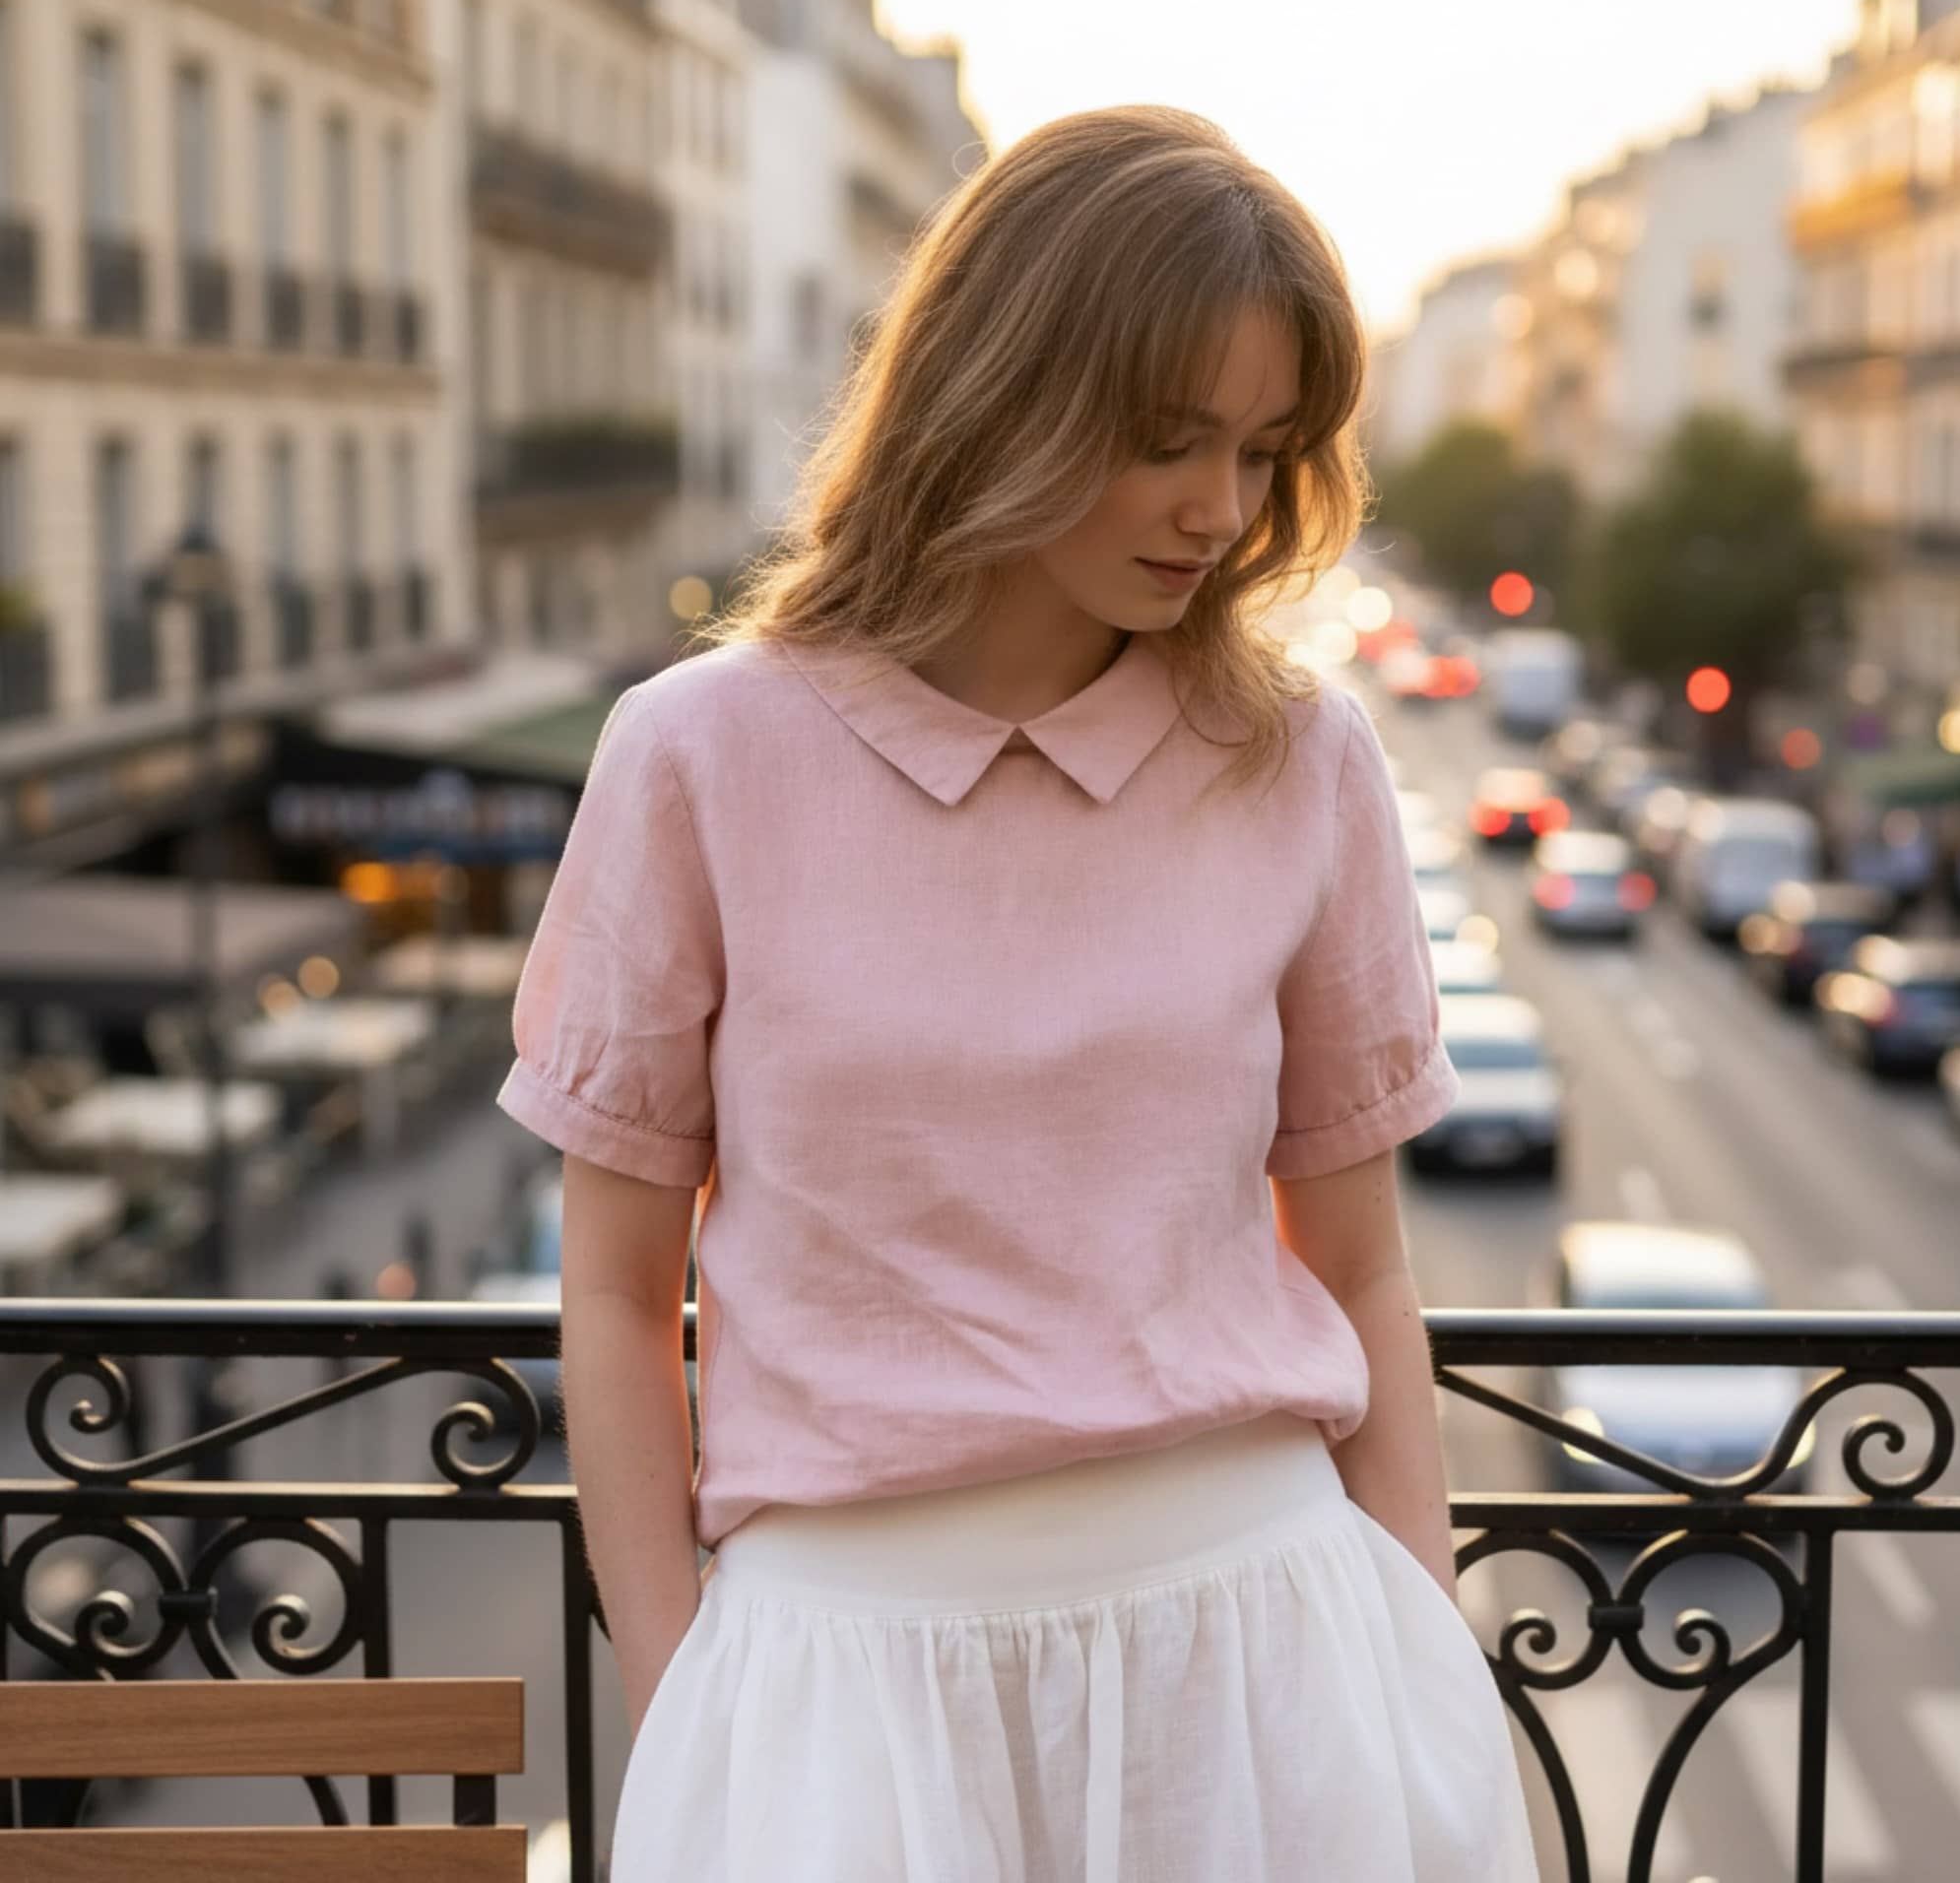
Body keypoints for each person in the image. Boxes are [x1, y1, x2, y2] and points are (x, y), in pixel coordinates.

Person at [497, 105, 1539, 1881]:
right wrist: (685, 1707)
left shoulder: (1303, 762)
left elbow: (1362, 1265)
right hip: (847, 1690)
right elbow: (611, 1289)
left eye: (1263, 449)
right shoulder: (696, 755)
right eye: (1166, 439)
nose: (1220, 510)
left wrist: (1422, 1656)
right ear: (1001, 392)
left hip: (1261, 1665)